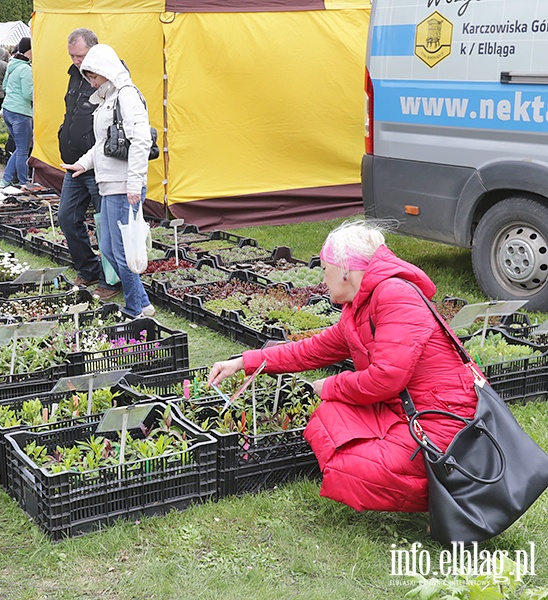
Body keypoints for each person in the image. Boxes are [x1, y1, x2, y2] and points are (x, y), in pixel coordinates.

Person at [208, 221, 480, 513]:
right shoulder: (360, 306)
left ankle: (452, 494)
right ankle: (433, 484)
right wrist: (242, 362)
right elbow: (311, 350)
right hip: (408, 412)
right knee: (329, 418)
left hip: (444, 423)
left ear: (346, 270)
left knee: (354, 468)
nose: (323, 279)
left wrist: (329, 386)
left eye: (326, 269)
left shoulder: (394, 296)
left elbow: (386, 379)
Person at [61, 44, 154, 318]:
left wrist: (134, 184)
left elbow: (141, 140)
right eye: (88, 76)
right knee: (112, 251)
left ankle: (135, 309)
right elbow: (103, 143)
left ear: (105, 70)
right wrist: (83, 163)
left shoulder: (126, 95)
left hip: (124, 185)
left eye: (93, 75)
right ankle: (142, 303)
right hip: (110, 183)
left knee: (122, 252)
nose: (90, 81)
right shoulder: (107, 98)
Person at [57, 29, 117, 297]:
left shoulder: (111, 78)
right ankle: (89, 268)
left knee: (105, 224)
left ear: (94, 50)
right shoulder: (74, 75)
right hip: (75, 163)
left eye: (79, 55)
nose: (75, 61)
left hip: (100, 164)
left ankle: (110, 280)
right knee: (67, 217)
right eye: (71, 56)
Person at [0, 37, 33, 188]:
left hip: (8, 111)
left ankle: (5, 180)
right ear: (29, 51)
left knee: (19, 148)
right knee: (23, 150)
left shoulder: (12, 65)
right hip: (21, 113)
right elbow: (28, 94)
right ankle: (24, 183)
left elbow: (5, 86)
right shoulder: (25, 69)